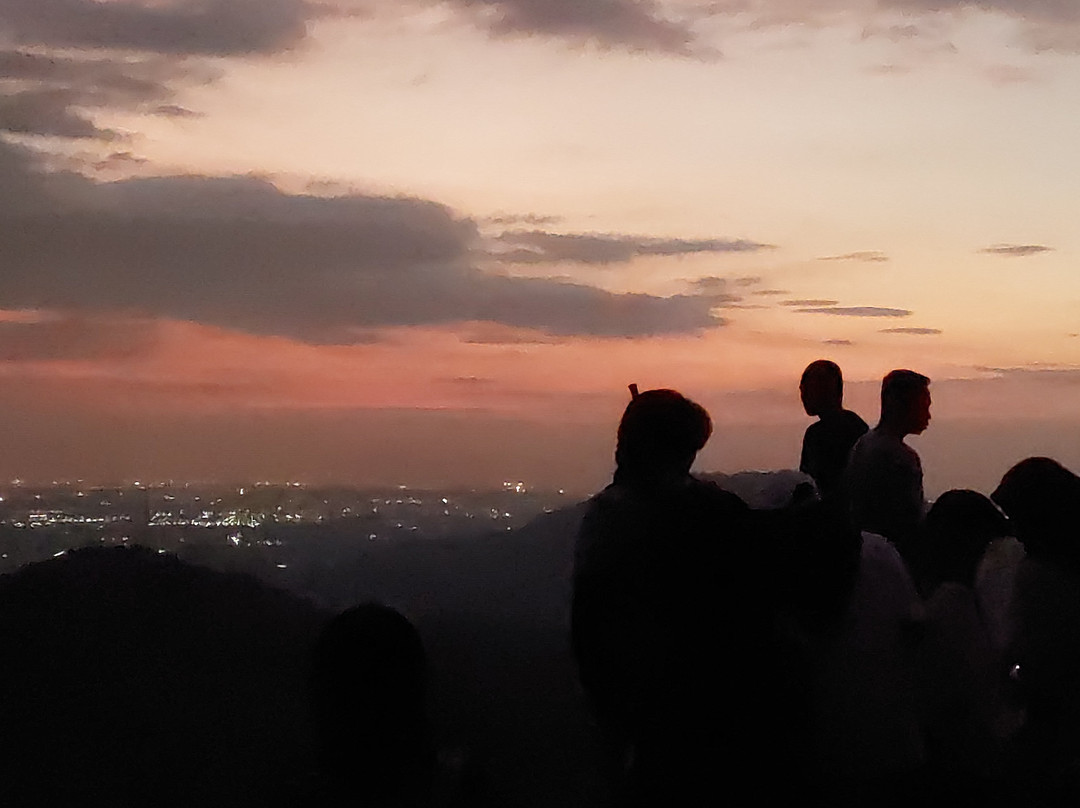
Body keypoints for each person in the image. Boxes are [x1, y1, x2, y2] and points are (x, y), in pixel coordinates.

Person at [571, 387, 791, 805]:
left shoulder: (614, 520)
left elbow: (591, 624)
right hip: (721, 715)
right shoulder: (721, 512)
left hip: (651, 718)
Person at [847, 369, 931, 555]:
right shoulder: (901, 458)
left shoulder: (863, 444)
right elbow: (910, 521)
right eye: (923, 406)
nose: (928, 415)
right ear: (901, 405)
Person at [799, 360, 868, 503]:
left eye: (809, 389)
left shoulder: (824, 432)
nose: (803, 396)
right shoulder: (854, 424)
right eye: (802, 390)